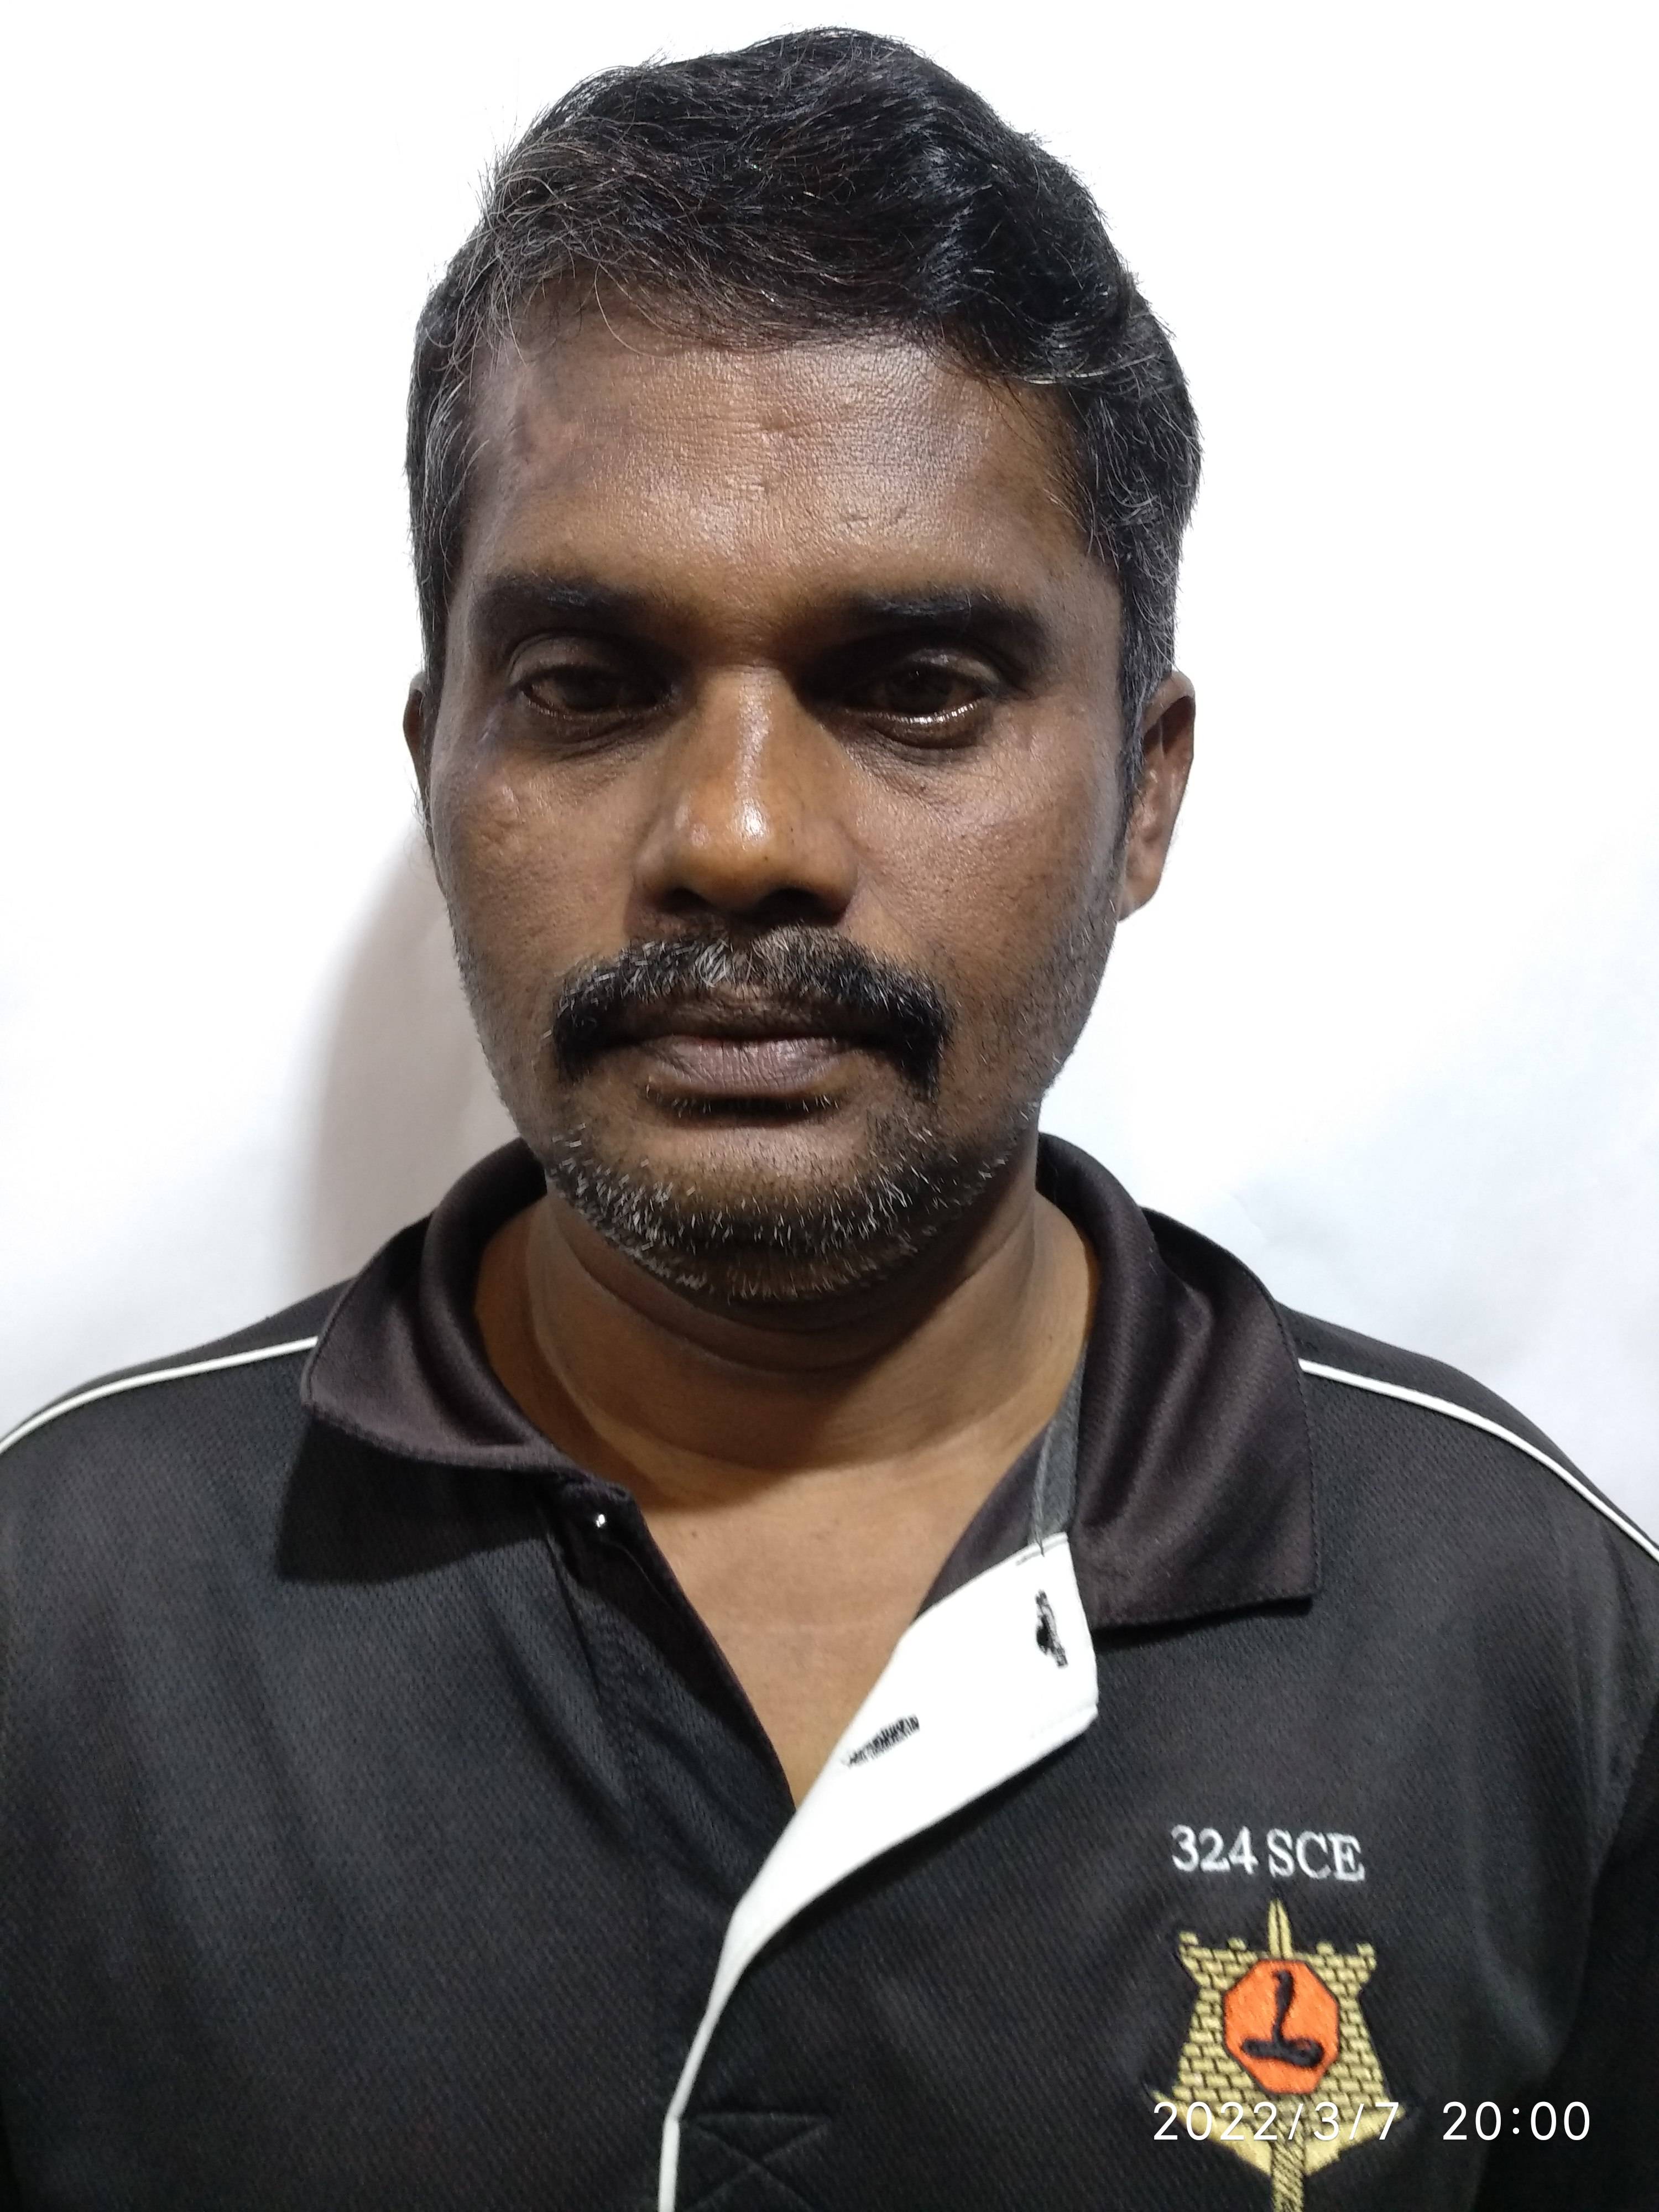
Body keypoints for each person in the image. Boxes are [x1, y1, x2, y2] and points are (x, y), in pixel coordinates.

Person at [1, 29, 1653, 2212]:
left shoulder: (1532, 1630)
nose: (742, 837)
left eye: (915, 688)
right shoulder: (59, 1613)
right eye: (588, 688)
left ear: (1143, 793)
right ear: (440, 763)